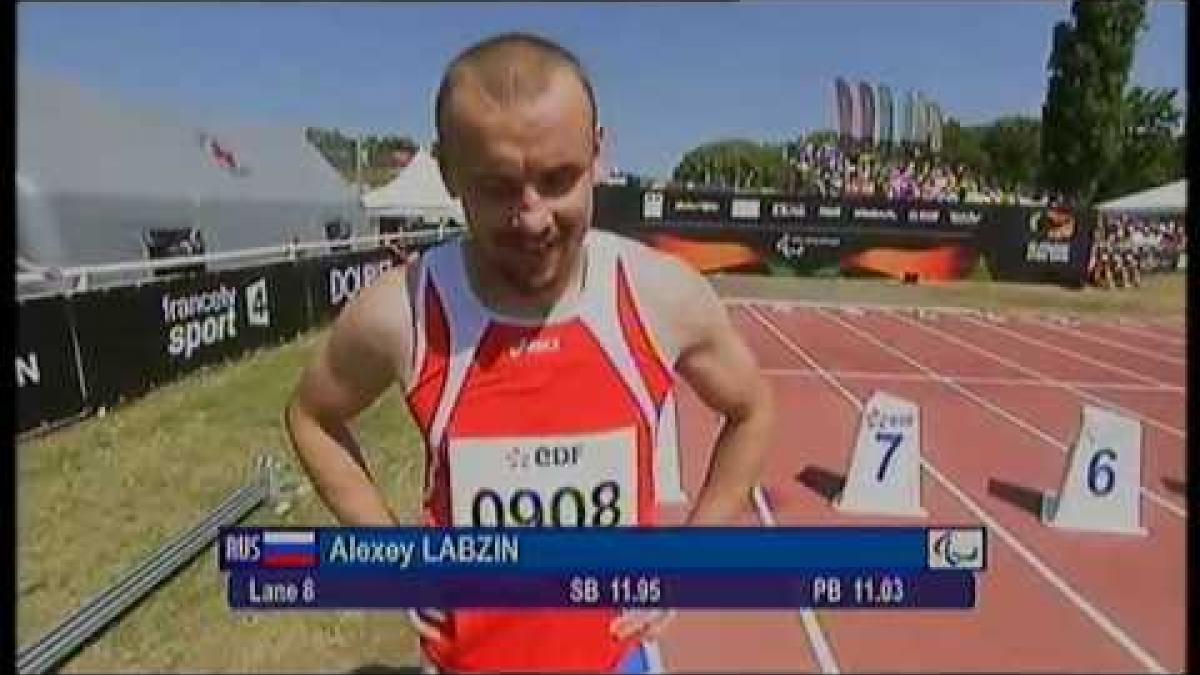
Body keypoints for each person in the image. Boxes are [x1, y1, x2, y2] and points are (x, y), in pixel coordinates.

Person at [284, 32, 773, 674]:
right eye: (497, 188)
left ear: (600, 152)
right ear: (449, 170)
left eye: (558, 179)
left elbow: (753, 409)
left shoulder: (659, 295)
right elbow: (311, 417)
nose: (533, 217)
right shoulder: (401, 312)